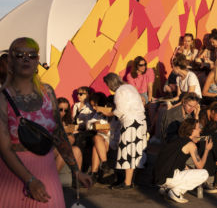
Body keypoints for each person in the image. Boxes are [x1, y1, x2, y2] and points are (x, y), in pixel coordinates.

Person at [0, 37, 91, 207]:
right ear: (11, 61)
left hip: (47, 172)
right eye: (19, 55)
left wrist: (76, 170)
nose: (26, 58)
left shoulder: (47, 92)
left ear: (37, 62)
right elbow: (4, 148)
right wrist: (30, 180)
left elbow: (58, 134)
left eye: (32, 55)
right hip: (13, 176)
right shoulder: (2, 98)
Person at [103, 73, 147, 189]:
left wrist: (108, 113)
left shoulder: (119, 91)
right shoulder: (130, 87)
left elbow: (120, 110)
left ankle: (127, 183)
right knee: (134, 151)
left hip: (130, 123)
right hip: (140, 121)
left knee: (128, 151)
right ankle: (128, 181)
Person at [154, 118, 210, 203]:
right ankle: (175, 192)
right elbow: (200, 166)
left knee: (188, 170)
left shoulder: (176, 139)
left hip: (159, 178)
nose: (200, 129)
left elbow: (175, 161)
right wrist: (207, 150)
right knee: (204, 173)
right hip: (168, 177)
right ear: (192, 130)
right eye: (198, 127)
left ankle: (166, 189)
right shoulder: (191, 145)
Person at [55, 97, 82, 173]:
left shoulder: (66, 121)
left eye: (66, 110)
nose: (63, 112)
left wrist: (68, 132)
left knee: (77, 150)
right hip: (51, 148)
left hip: (62, 147)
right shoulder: (49, 120)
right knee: (65, 151)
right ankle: (51, 181)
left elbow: (72, 140)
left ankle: (77, 180)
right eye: (60, 109)